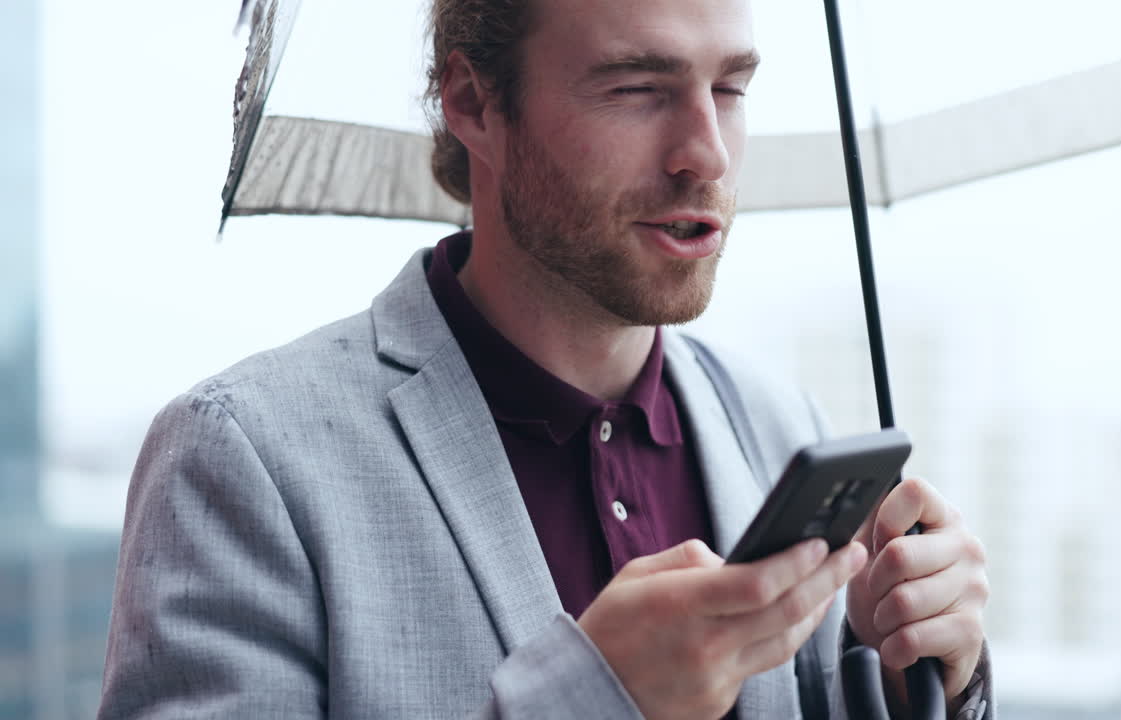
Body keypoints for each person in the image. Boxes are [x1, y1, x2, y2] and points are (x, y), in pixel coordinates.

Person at [98, 0, 993, 718]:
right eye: (638, 87)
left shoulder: (779, 426)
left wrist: (924, 676)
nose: (705, 155)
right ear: (474, 103)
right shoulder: (243, 461)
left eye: (729, 88)